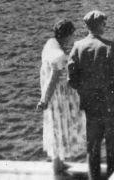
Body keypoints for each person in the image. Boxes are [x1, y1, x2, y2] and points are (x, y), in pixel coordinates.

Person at [68, 10, 114, 180]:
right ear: (99, 25)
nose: (105, 26)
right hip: (110, 105)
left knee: (92, 147)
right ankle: (113, 177)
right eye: (104, 23)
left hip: (90, 105)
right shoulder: (109, 46)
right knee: (113, 147)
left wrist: (84, 91)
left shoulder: (78, 46)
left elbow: (71, 78)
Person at [37, 19, 86, 174]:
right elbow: (53, 78)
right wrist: (44, 99)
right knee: (59, 126)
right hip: (57, 97)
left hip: (54, 94)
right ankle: (56, 166)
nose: (73, 38)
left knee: (56, 126)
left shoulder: (50, 43)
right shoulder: (59, 56)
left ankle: (58, 162)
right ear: (68, 35)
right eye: (72, 35)